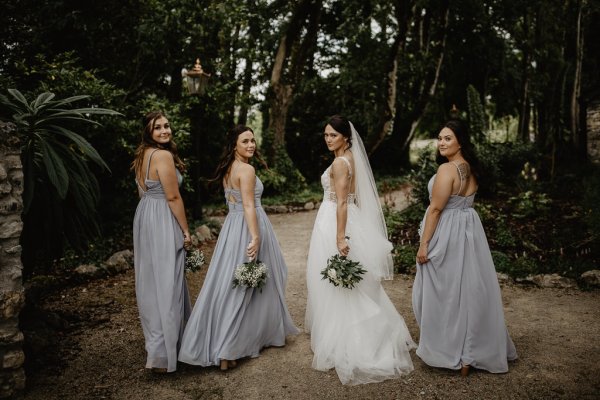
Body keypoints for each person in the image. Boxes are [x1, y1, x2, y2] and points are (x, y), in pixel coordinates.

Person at [305, 115, 415, 385]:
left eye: (333, 135)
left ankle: (347, 339)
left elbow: (342, 202)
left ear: (346, 137)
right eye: (326, 135)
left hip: (336, 221)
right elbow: (356, 200)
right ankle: (341, 332)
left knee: (339, 281)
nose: (328, 139)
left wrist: (340, 237)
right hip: (345, 217)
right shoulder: (352, 158)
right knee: (347, 282)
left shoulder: (341, 162)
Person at [178, 125, 299, 370]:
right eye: (245, 141)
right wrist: (255, 236)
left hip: (231, 229)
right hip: (248, 226)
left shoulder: (228, 169)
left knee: (230, 283)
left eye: (253, 140)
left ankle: (245, 337)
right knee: (246, 285)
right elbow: (248, 206)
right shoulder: (247, 169)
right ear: (234, 144)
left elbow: (236, 205)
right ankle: (227, 349)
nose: (251, 145)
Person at [412, 119, 518, 376]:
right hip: (468, 228)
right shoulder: (470, 169)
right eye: (439, 138)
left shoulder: (447, 170)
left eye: (448, 138)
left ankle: (452, 350)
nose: (441, 143)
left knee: (444, 292)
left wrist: (424, 244)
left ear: (460, 141)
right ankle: (470, 353)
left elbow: (436, 209)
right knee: (469, 290)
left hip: (447, 231)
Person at [132, 111, 192, 373]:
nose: (165, 131)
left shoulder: (141, 156)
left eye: (167, 126)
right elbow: (173, 198)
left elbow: (142, 192)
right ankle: (168, 354)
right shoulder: (163, 156)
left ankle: (158, 352)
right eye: (158, 128)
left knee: (151, 282)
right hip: (163, 218)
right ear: (149, 131)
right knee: (168, 281)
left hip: (145, 216)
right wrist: (186, 231)